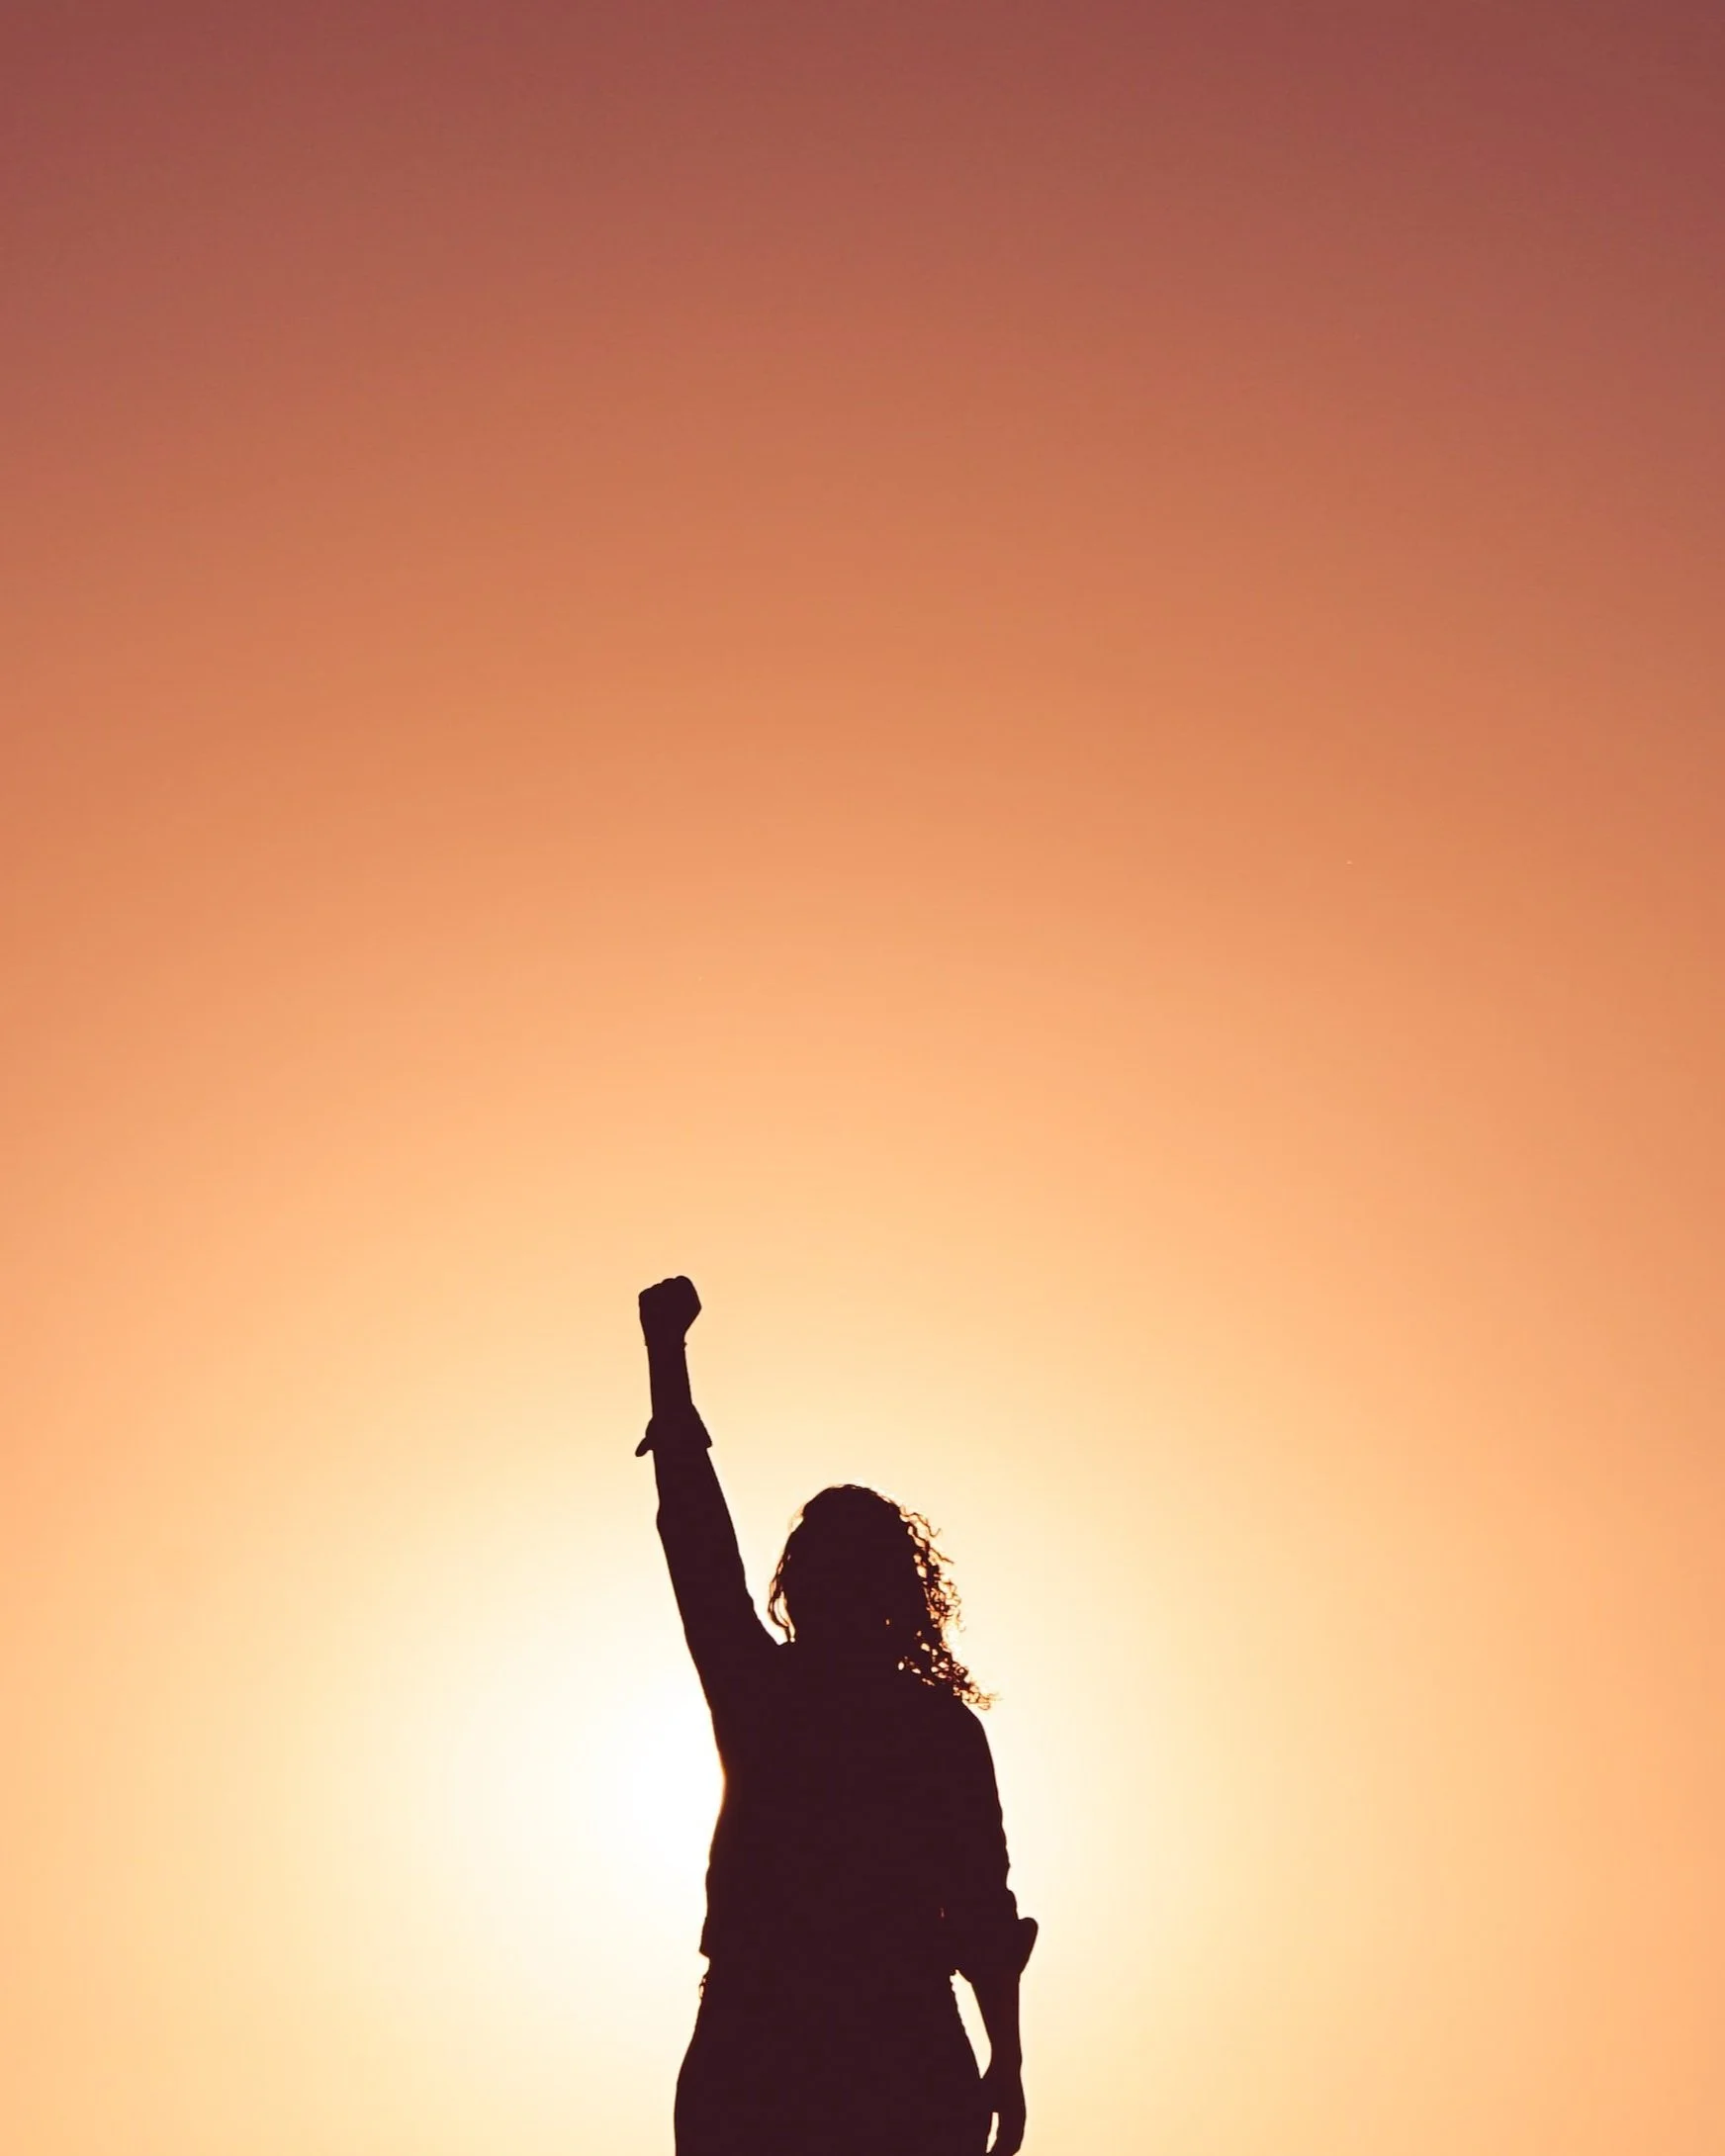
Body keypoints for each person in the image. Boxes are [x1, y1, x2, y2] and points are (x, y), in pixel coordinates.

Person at [637, 1275, 1036, 2156]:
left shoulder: (785, 1698)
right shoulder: (902, 1722)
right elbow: (695, 1537)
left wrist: (1005, 2058)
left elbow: (980, 1910)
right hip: (824, 2042)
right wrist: (1005, 2058)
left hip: (833, 2047)